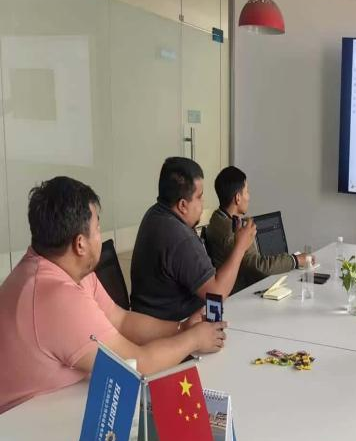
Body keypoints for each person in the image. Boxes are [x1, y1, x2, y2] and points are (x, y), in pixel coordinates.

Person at [0, 176, 227, 414]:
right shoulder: (55, 296)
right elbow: (137, 364)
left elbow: (121, 319)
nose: (100, 235)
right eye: (98, 228)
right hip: (22, 423)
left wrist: (181, 328)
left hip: (57, 406)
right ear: (80, 244)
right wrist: (194, 340)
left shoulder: (65, 268)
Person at [130, 157, 256, 321]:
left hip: (156, 319)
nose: (202, 202)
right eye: (199, 197)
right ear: (182, 205)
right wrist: (240, 247)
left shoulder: (154, 214)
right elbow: (216, 294)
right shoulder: (179, 236)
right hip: (175, 326)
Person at [206, 166, 312, 293]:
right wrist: (296, 260)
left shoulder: (218, 219)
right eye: (247, 191)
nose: (249, 197)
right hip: (241, 294)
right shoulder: (230, 233)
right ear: (238, 198)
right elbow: (259, 267)